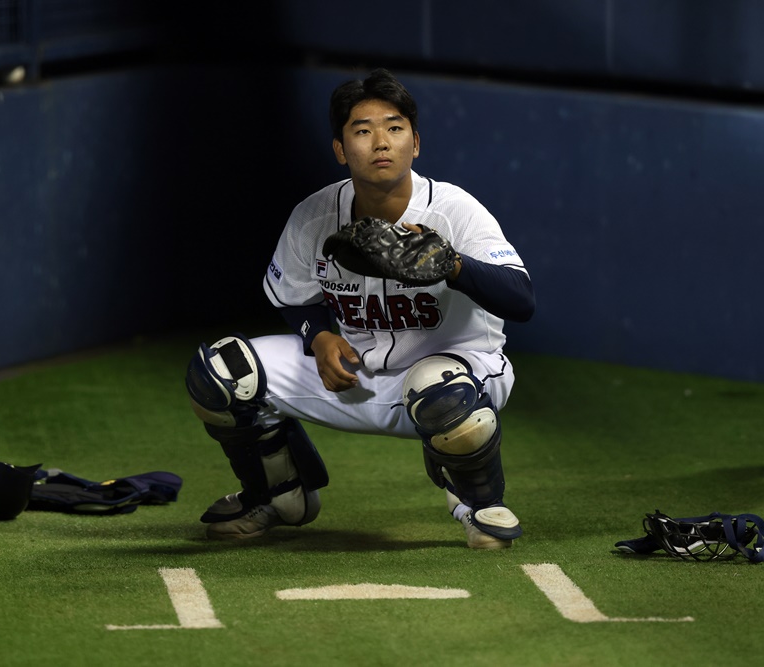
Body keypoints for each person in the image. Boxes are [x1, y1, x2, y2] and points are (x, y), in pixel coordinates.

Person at [185, 68, 535, 549]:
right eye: (363, 130)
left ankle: (479, 504)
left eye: (394, 128)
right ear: (340, 149)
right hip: (353, 372)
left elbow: (520, 300)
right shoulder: (314, 214)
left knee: (442, 397)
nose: (381, 142)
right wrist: (319, 336)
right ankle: (279, 495)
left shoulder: (454, 211)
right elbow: (293, 296)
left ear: (416, 143)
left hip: (458, 377)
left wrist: (453, 265)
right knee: (221, 373)